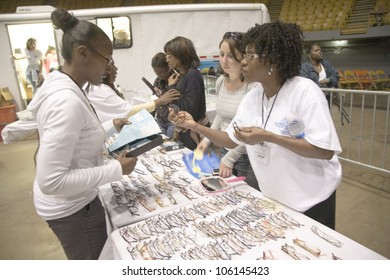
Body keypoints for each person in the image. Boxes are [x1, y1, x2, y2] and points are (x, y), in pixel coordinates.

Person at [169, 22, 342, 230]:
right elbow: (230, 140)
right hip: (278, 198)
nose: (243, 61)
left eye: (250, 56)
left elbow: (324, 150)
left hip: (313, 199)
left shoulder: (304, 91)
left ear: (273, 61)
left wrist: (268, 136)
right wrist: (193, 125)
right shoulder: (253, 97)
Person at [27, 8, 137, 260]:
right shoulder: (67, 100)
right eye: (106, 59)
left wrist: (111, 125)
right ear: (83, 53)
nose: (109, 67)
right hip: (72, 209)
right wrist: (116, 169)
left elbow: (77, 136)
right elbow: (51, 181)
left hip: (72, 204)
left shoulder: (65, 85)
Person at [197, 31, 260, 190]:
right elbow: (221, 115)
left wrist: (230, 158)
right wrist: (206, 141)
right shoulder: (220, 81)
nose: (224, 60)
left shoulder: (253, 86)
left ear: (243, 57)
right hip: (225, 149)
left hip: (247, 155)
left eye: (231, 55)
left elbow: (251, 129)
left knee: (250, 196)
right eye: (222, 54)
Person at [86, 61, 180, 124]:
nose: (116, 68)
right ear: (105, 70)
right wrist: (160, 101)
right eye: (113, 65)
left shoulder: (102, 88)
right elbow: (129, 111)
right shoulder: (101, 90)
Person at [164, 36, 208, 150]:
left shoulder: (192, 75)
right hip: (186, 131)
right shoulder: (183, 75)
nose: (167, 59)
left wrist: (172, 87)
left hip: (193, 132)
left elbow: (189, 109)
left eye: (170, 56)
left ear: (180, 56)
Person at [300, 43, 339, 108]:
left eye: (320, 50)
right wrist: (320, 85)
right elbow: (306, 84)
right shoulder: (304, 67)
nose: (320, 52)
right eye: (316, 50)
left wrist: (328, 80)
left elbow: (336, 76)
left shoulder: (326, 64)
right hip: (311, 100)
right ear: (309, 54)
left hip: (326, 99)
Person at [151, 52, 177, 138]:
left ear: (168, 67)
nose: (159, 75)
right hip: (160, 119)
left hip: (172, 121)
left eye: (161, 72)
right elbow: (154, 100)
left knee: (171, 144)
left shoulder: (175, 78)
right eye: (156, 73)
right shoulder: (157, 81)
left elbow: (176, 100)